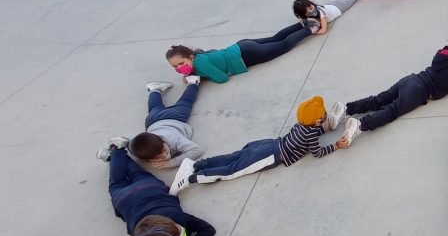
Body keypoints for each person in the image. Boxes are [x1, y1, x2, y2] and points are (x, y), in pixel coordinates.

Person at [98, 137, 217, 236]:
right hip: (129, 197)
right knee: (121, 181)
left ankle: (116, 154)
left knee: (134, 176)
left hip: (145, 191)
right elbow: (208, 229)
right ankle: (115, 152)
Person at [169, 95, 344, 195]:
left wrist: (324, 129)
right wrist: (335, 146)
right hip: (271, 156)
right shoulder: (311, 133)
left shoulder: (301, 125)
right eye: (324, 115)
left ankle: (196, 165)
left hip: (269, 144)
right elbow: (317, 152)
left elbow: (307, 136)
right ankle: (191, 179)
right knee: (232, 170)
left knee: (232, 157)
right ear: (317, 121)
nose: (325, 116)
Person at [337, 39, 448, 147]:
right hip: (420, 90)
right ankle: (361, 124)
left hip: (411, 79)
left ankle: (347, 109)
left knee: (380, 99)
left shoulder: (442, 53)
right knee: (393, 110)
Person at [165, 23, 315, 84]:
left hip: (247, 56)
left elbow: (222, 78)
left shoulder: (200, 63)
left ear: (190, 57)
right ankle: (302, 24)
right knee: (275, 38)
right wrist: (190, 73)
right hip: (241, 46)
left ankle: (311, 28)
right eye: (175, 67)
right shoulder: (199, 57)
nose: (179, 68)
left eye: (181, 63)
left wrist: (200, 77)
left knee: (284, 45)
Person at [104, 79, 204, 170]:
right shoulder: (140, 152)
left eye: (164, 150)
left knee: (185, 102)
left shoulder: (174, 139)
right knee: (154, 106)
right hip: (153, 122)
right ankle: (154, 90)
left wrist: (172, 162)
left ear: (164, 140)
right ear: (149, 159)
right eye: (159, 157)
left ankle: (193, 83)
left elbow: (197, 150)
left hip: (174, 117)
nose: (165, 155)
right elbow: (131, 142)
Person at [292, 0, 363, 34]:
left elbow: (323, 30)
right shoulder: (307, 14)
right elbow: (302, 19)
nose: (312, 11)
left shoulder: (321, 14)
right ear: (303, 14)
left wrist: (311, 32)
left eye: (311, 8)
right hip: (329, 5)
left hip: (337, 8)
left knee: (350, 0)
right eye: (308, 12)